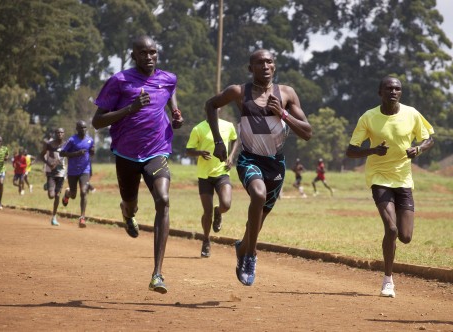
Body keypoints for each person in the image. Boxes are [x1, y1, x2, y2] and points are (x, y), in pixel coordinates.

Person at [205, 49, 313, 286]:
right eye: (259, 62)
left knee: (259, 218)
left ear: (274, 66)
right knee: (258, 194)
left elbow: (307, 132)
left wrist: (282, 113)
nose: (265, 66)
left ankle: (243, 247)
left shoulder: (286, 93)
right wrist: (218, 140)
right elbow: (211, 105)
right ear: (250, 68)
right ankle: (251, 255)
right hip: (249, 159)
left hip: (275, 164)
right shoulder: (239, 92)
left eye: (269, 62)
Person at [92, 35, 183, 294]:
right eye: (143, 53)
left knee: (163, 200)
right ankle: (127, 212)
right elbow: (97, 122)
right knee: (130, 201)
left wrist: (175, 116)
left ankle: (157, 274)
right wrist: (129, 109)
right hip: (126, 155)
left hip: (157, 151)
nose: (149, 57)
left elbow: (170, 94)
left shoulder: (168, 78)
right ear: (134, 55)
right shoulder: (119, 81)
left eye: (153, 52)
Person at [346, 76, 434, 298]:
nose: (393, 91)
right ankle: (388, 280)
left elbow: (429, 138)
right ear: (380, 92)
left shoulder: (411, 114)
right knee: (391, 229)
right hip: (379, 178)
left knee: (405, 236)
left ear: (400, 93)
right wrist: (373, 151)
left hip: (403, 180)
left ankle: (390, 260)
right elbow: (351, 150)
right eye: (389, 88)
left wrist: (419, 149)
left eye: (397, 88)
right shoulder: (369, 117)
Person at [185, 109, 238, 258]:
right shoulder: (198, 128)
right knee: (207, 213)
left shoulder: (228, 126)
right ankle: (206, 240)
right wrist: (200, 152)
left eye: (216, 109)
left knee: (226, 204)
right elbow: (188, 151)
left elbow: (235, 139)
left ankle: (219, 211)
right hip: (204, 175)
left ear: (219, 110)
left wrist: (231, 157)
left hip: (222, 172)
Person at [60, 120, 95, 228]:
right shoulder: (72, 140)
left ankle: (82, 217)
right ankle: (67, 194)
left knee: (84, 191)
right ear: (77, 129)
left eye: (85, 128)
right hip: (73, 171)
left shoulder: (90, 140)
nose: (83, 130)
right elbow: (62, 153)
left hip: (85, 170)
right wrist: (76, 153)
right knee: (74, 195)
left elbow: (91, 152)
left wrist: (92, 151)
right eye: (81, 128)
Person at [40, 128, 67, 226]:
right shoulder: (49, 144)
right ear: (55, 134)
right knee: (51, 196)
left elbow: (70, 155)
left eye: (61, 132)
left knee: (57, 195)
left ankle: (54, 217)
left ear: (64, 134)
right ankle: (48, 184)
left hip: (61, 173)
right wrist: (48, 163)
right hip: (51, 172)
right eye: (57, 132)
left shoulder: (66, 144)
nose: (59, 134)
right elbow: (41, 155)